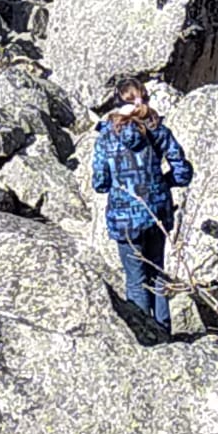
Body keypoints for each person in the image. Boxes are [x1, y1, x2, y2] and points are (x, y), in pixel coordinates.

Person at [91, 76, 193, 332]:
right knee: (157, 274)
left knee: (135, 281)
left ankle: (147, 336)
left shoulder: (106, 137)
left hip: (125, 219)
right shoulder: (158, 129)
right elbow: (183, 172)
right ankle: (164, 333)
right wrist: (162, 184)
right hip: (157, 212)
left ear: (116, 103)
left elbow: (100, 183)